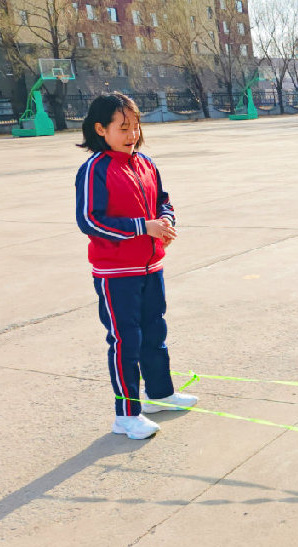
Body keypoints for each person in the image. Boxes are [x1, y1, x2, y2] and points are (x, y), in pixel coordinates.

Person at [75, 93, 197, 440]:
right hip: (117, 274)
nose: (132, 133)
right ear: (101, 129)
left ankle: (159, 394)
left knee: (154, 331)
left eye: (135, 125)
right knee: (125, 340)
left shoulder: (145, 164)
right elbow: (89, 221)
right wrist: (142, 227)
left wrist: (166, 221)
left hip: (150, 267)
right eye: (123, 127)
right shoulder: (95, 169)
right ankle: (126, 415)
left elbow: (162, 201)